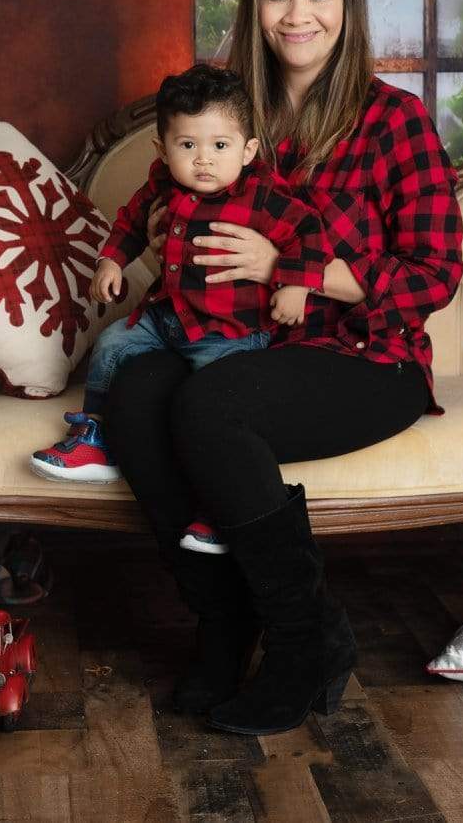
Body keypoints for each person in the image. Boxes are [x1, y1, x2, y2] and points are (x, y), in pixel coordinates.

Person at [105, 0, 463, 735]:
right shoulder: (224, 118)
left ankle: (307, 643)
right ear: (253, 7)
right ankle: (225, 628)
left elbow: (437, 274)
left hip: (368, 357)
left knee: (212, 405)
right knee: (133, 393)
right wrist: (160, 241)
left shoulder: (392, 121)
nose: (297, 14)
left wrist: (289, 270)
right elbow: (163, 218)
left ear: (349, 4)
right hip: (241, 341)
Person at [29, 64, 326, 557]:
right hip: (167, 317)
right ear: (163, 150)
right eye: (187, 146)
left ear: (248, 150)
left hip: (229, 333)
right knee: (112, 346)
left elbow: (309, 236)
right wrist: (110, 261)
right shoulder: (162, 185)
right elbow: (128, 222)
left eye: (220, 146)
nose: (204, 160)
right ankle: (95, 434)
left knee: (211, 412)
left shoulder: (264, 196)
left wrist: (293, 285)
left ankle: (221, 507)